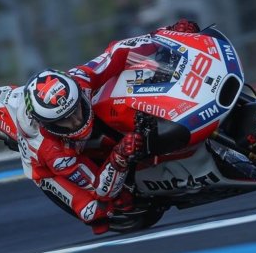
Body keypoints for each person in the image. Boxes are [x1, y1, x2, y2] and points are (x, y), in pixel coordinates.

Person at [16, 19, 200, 234]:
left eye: (76, 110)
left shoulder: (80, 81)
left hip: (77, 132)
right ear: (49, 123)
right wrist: (119, 156)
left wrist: (168, 35)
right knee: (94, 211)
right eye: (64, 120)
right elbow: (100, 189)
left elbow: (117, 52)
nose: (76, 121)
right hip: (47, 169)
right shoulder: (54, 153)